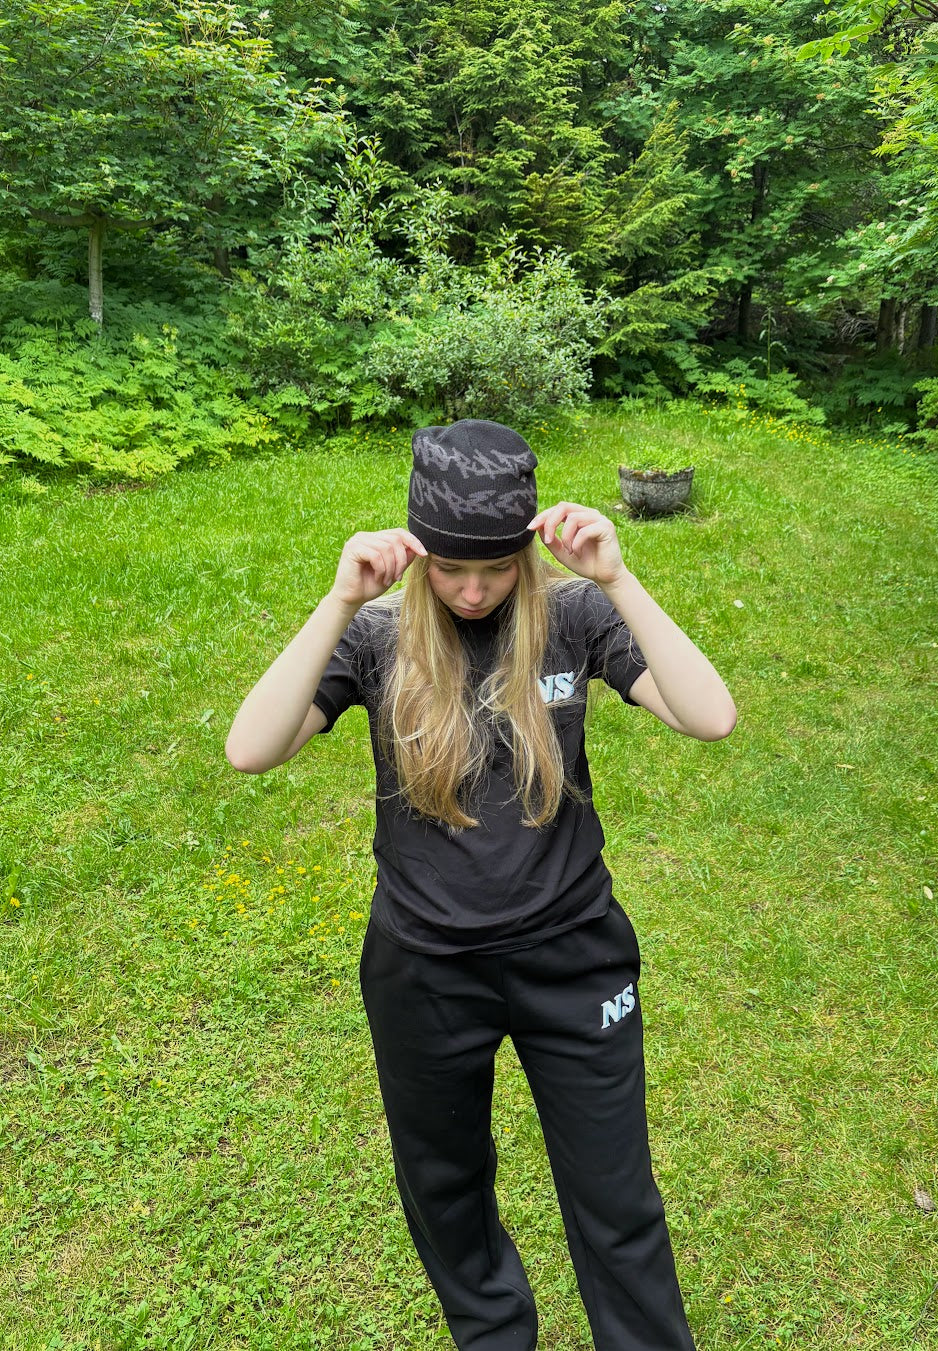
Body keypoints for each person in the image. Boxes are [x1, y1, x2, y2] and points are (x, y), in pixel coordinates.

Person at [226, 419, 736, 1351]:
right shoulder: (378, 638)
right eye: (451, 569)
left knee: (616, 1197)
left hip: (573, 959)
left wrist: (617, 579)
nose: (471, 590)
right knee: (447, 1189)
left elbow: (709, 715)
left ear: (525, 554)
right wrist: (339, 602)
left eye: (495, 568)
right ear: (418, 554)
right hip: (424, 970)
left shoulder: (572, 619)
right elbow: (250, 748)